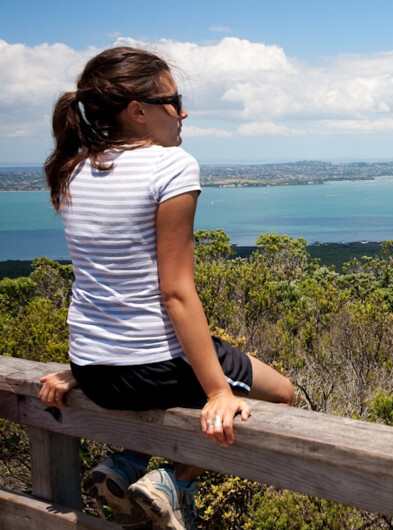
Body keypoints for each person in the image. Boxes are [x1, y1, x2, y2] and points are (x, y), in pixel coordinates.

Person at [37, 46, 295, 530]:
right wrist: (218, 391)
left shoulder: (73, 168)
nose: (183, 111)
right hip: (151, 368)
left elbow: (102, 279)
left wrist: (82, 368)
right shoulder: (171, 166)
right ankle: (176, 481)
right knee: (281, 395)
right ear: (139, 111)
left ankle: (128, 465)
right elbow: (176, 293)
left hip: (93, 369)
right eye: (173, 100)